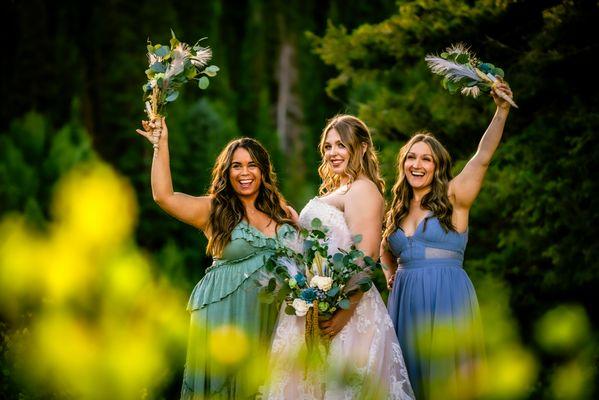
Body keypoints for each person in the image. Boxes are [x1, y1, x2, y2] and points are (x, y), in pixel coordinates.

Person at [136, 118, 298, 399]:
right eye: (236, 165)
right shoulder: (214, 209)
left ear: (263, 171)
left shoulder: (283, 213)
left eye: (251, 165)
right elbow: (164, 196)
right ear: (227, 171)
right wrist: (160, 144)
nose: (244, 173)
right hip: (222, 318)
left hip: (270, 321)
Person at [263, 115, 414, 399]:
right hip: (318, 304)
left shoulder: (363, 189)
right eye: (328, 147)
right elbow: (328, 242)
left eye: (341, 145)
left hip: (348, 311)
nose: (333, 153)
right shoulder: (342, 188)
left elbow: (366, 256)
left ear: (362, 147)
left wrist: (344, 313)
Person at [381, 82, 514, 400]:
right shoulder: (396, 210)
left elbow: (482, 158)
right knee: (409, 381)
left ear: (438, 166)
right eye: (411, 158)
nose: (417, 164)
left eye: (426, 159)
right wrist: (389, 273)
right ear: (403, 165)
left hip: (447, 297)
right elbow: (385, 247)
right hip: (405, 302)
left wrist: (501, 111)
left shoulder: (454, 197)